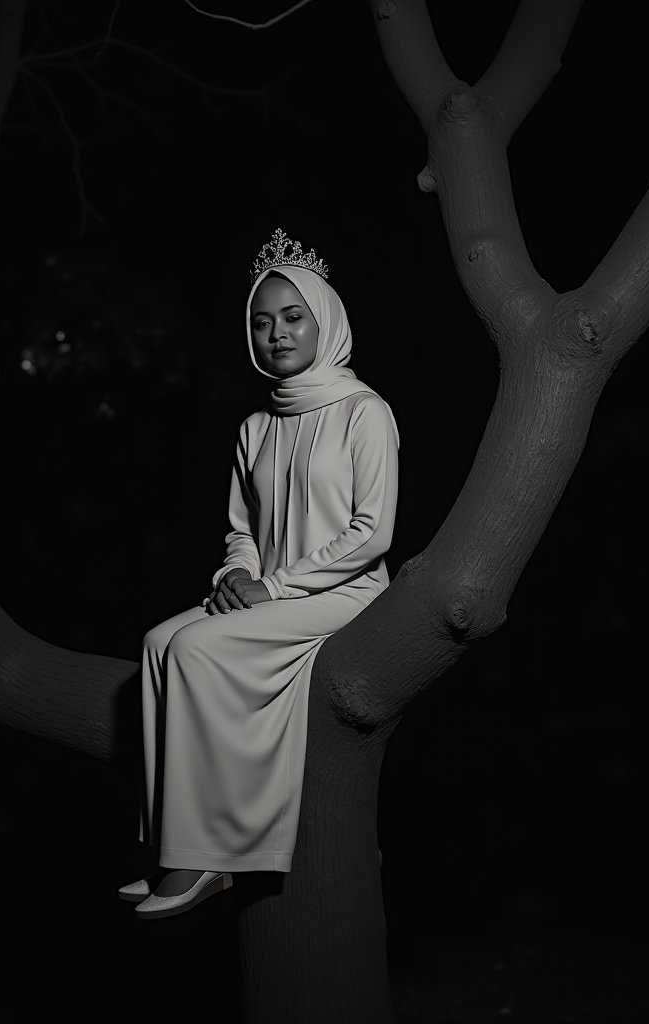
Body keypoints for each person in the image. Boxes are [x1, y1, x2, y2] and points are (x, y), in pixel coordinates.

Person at [121, 228, 400, 919]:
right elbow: (241, 530)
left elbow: (373, 534)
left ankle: (207, 855)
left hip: (347, 594)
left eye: (292, 316)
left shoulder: (364, 412)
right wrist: (237, 575)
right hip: (268, 593)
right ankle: (172, 845)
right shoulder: (257, 427)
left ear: (324, 318)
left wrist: (271, 587)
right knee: (160, 643)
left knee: (193, 648)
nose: (277, 332)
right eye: (262, 321)